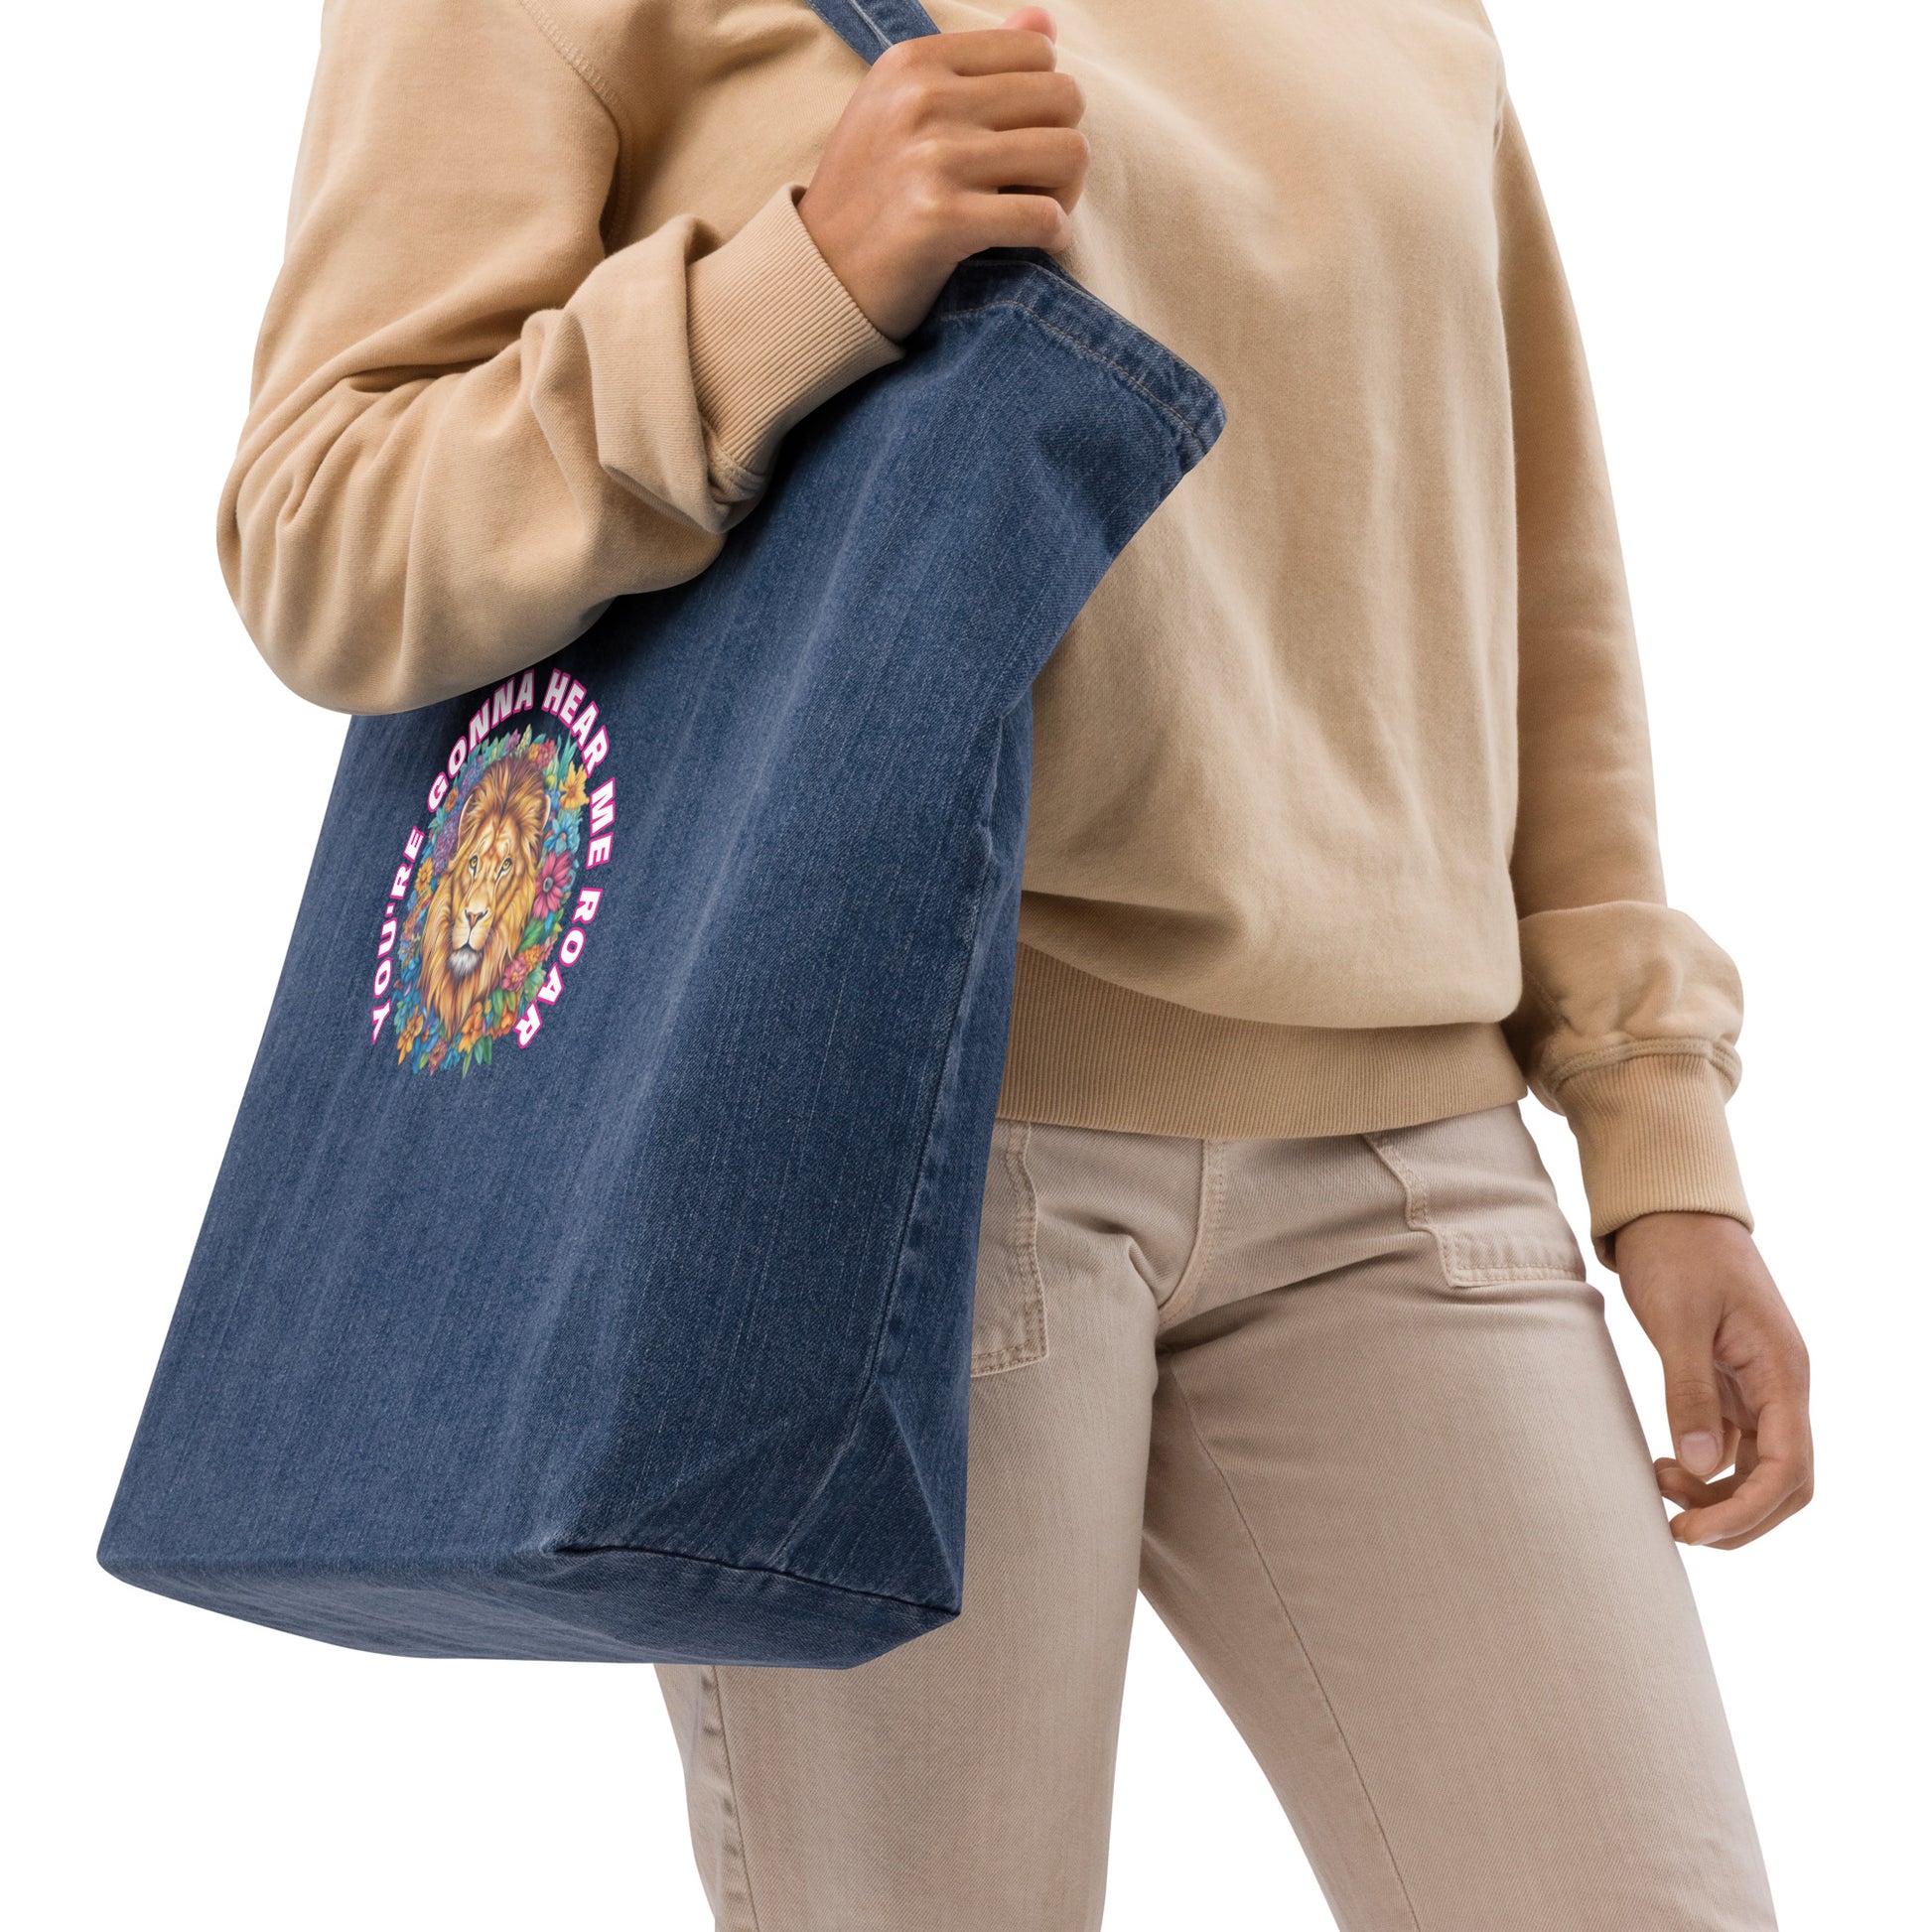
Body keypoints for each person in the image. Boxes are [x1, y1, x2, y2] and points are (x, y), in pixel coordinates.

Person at [219, 1, 1811, 1924]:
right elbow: (323, 527)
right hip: (894, 1156)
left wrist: (1655, 1134)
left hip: (1413, 1161)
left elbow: (1528, 561)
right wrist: (795, 276)